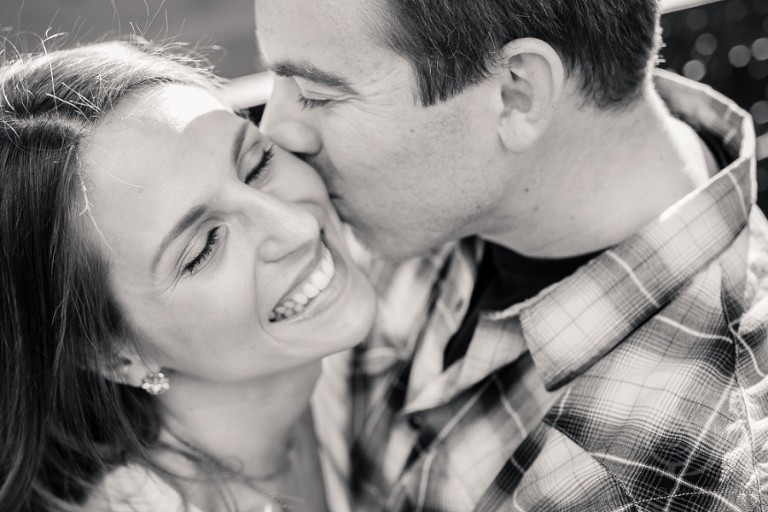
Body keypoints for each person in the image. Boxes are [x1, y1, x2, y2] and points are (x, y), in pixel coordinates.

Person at [255, 0, 768, 510]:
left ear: (516, 93)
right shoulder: (431, 195)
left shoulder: (648, 488)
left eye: (314, 93)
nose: (272, 132)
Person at [0, 39, 377, 512]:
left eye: (256, 165)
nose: (298, 227)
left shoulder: (388, 328)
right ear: (116, 354)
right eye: (204, 249)